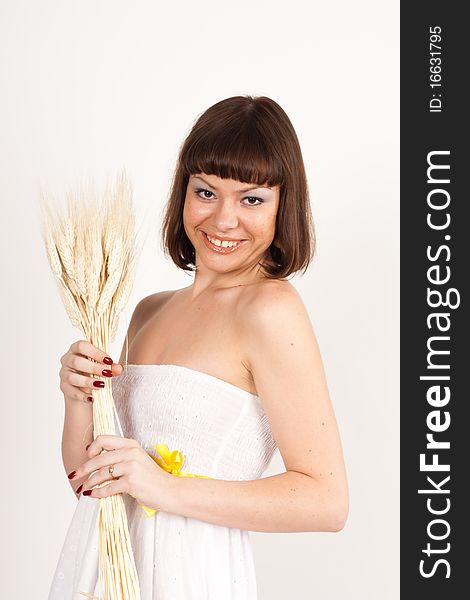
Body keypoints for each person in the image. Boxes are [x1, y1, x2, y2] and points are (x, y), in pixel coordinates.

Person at [49, 95, 349, 599]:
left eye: (251, 199)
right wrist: (78, 397)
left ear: (284, 206)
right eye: (206, 192)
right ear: (182, 194)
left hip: (189, 577)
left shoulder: (270, 311)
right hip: (98, 567)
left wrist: (165, 489)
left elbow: (326, 500)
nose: (224, 220)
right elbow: (88, 480)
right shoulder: (148, 310)